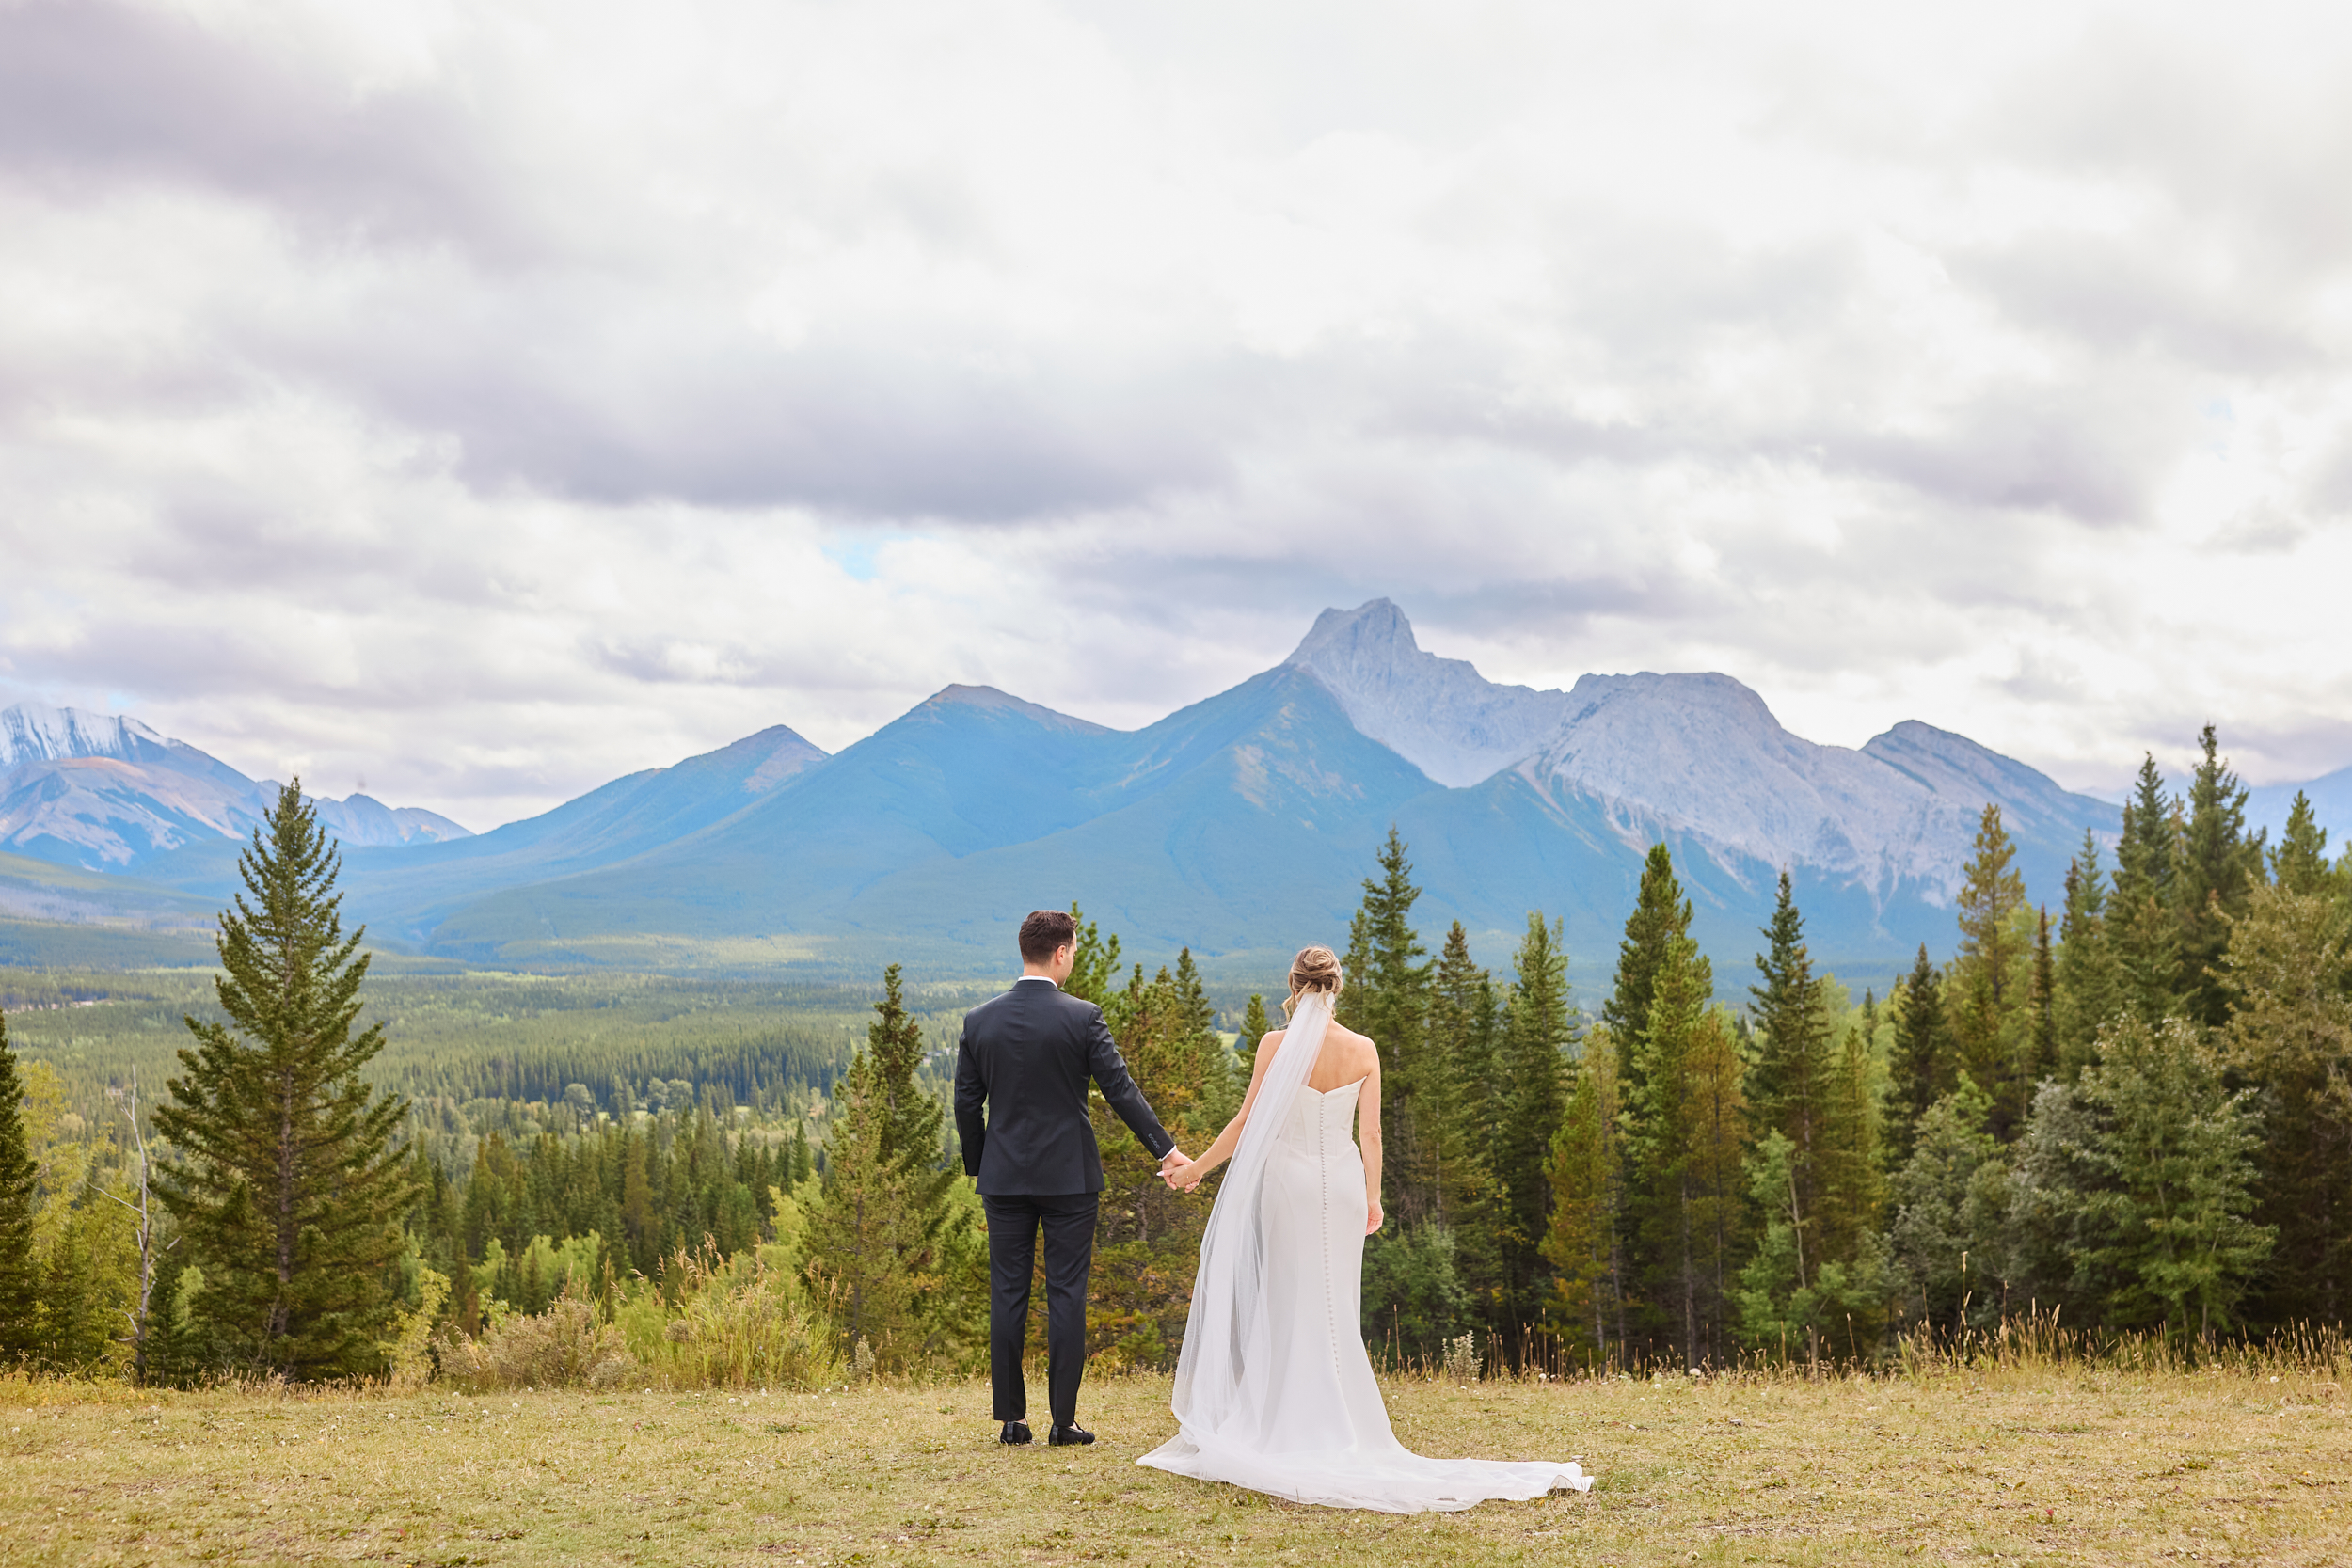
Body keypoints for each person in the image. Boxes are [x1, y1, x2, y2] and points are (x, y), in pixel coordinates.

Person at [1139, 944, 1593, 1512]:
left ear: (1295, 986)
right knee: (1335, 1305)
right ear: (1336, 986)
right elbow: (1371, 1135)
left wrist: (1197, 1170)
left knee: (1288, 1297)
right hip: (1343, 1186)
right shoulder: (1364, 1049)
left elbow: (1248, 1120)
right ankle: (1339, 1417)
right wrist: (1373, 1198)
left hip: (1288, 1185)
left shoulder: (1274, 1046)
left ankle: (1287, 1416)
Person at [954, 909, 1188, 1448]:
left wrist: (982, 1164)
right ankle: (1064, 1422)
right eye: (1075, 950)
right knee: (1067, 1294)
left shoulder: (979, 1021)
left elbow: (968, 1105)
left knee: (1007, 1294)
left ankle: (1013, 1422)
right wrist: (1167, 1150)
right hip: (1070, 1179)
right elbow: (1121, 1091)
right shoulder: (1082, 1017)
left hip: (1004, 1178)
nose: (1075, 958)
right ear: (1060, 952)